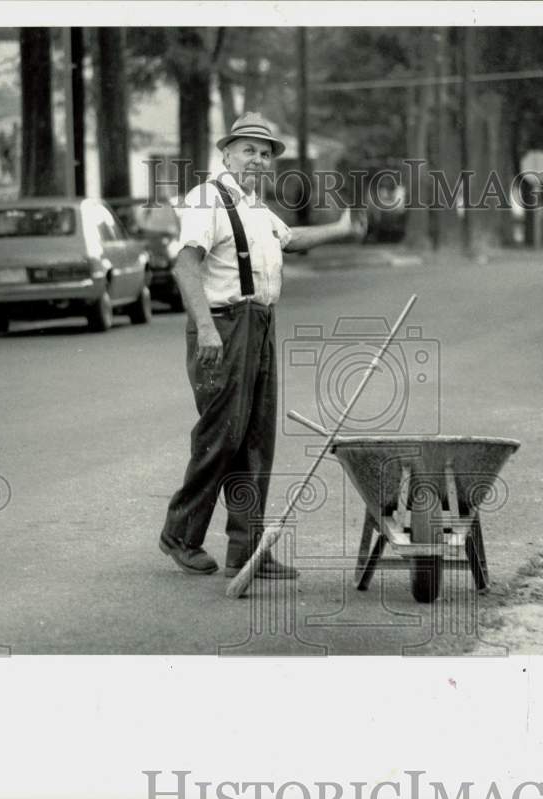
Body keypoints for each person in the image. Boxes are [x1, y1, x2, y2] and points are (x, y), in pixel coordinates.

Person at [159, 111, 365, 580]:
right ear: (226, 152)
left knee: (255, 440)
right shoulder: (206, 200)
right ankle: (180, 535)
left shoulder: (254, 207)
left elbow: (290, 240)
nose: (257, 159)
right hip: (225, 327)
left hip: (261, 324)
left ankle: (246, 550)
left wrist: (342, 229)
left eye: (265, 153)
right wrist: (207, 328)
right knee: (222, 435)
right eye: (248, 150)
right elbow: (185, 266)